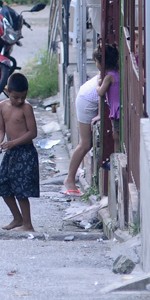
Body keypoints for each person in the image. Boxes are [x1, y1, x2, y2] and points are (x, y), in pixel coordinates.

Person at [0, 73, 39, 232]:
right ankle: (17, 218)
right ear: (6, 91)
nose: (20, 101)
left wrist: (13, 143)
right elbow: (1, 129)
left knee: (21, 190)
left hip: (25, 152)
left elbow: (33, 132)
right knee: (4, 186)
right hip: (11, 153)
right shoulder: (1, 106)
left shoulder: (27, 108)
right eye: (15, 97)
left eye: (23, 97)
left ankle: (28, 224)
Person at [62, 48, 103, 196]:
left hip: (87, 96)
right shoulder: (105, 75)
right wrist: (99, 114)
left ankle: (73, 176)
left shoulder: (109, 71)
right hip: (86, 100)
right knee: (85, 143)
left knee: (86, 143)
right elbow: (101, 94)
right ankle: (69, 179)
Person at [96, 44, 121, 150]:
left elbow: (101, 92)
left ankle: (116, 154)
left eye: (97, 61)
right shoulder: (116, 73)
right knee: (117, 134)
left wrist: (97, 85)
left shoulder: (108, 77)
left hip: (116, 109)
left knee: (116, 136)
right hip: (118, 107)